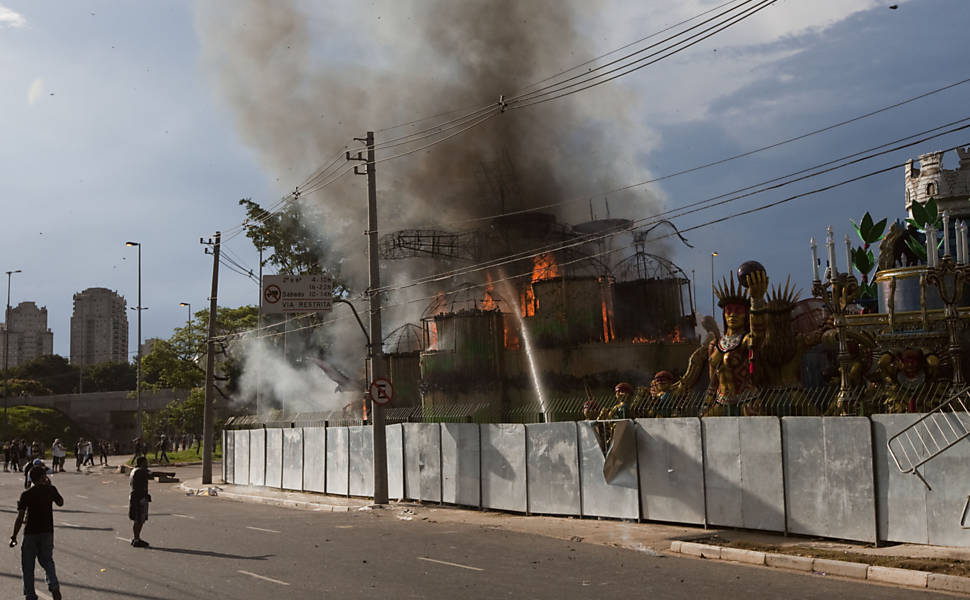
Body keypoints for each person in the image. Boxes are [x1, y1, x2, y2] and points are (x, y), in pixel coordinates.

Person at [11, 466, 64, 600]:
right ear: (42, 477)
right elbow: (60, 502)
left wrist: (14, 536)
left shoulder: (26, 494)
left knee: (28, 566)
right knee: (47, 560)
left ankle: (30, 595)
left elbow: (20, 518)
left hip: (30, 533)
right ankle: (53, 582)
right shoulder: (50, 490)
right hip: (47, 532)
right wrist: (51, 487)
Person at [129, 456, 152, 547]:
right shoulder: (140, 471)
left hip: (135, 497)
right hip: (140, 498)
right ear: (142, 463)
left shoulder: (134, 470)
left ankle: (136, 538)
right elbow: (152, 474)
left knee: (137, 519)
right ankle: (137, 539)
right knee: (139, 519)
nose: (147, 464)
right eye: (146, 462)